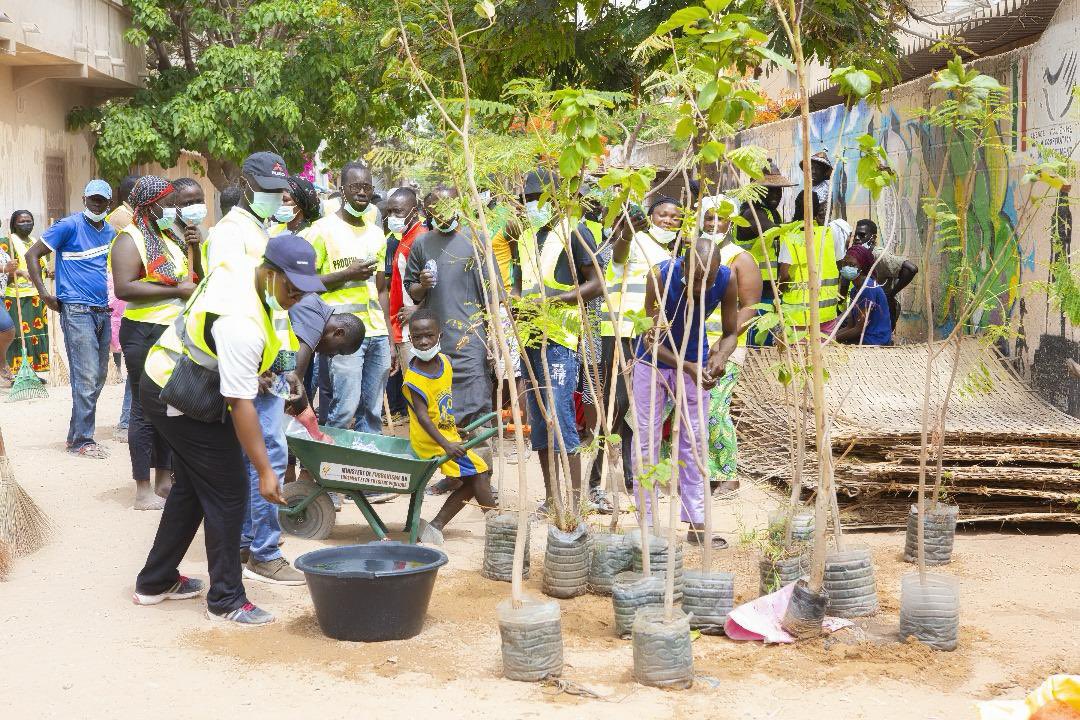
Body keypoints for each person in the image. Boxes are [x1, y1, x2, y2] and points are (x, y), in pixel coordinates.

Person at [132, 233, 325, 625]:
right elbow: (241, 405)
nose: (298, 297)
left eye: (306, 290)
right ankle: (226, 600)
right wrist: (266, 470)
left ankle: (155, 582)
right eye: (292, 288)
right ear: (270, 273)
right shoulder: (242, 324)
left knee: (191, 487)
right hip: (178, 393)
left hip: (180, 380)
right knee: (230, 490)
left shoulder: (245, 264)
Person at [239, 273, 365, 585]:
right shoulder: (312, 317)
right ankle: (263, 554)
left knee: (250, 463)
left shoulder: (311, 307)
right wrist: (310, 424)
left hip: (255, 377)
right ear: (337, 331)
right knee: (269, 460)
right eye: (336, 350)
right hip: (254, 380)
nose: (330, 355)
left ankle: (246, 541)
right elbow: (292, 379)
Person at [633, 237, 738, 546]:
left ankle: (696, 523)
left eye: (708, 279)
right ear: (683, 265)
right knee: (646, 439)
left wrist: (718, 358)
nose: (702, 287)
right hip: (652, 363)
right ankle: (648, 525)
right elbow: (651, 339)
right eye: (695, 278)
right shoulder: (660, 276)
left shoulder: (726, 279)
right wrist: (687, 367)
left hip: (696, 361)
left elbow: (731, 333)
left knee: (694, 440)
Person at [513, 169, 603, 515]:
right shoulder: (524, 237)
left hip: (561, 339)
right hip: (529, 339)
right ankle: (551, 497)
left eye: (538, 199)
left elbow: (596, 283)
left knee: (562, 415)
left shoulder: (575, 232)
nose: (533, 205)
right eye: (528, 200)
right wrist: (516, 301)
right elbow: (520, 283)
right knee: (538, 420)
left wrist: (555, 301)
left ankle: (575, 499)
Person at [111, 176, 199, 510]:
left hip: (171, 331)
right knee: (144, 409)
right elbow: (125, 288)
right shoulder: (129, 240)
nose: (175, 208)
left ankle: (165, 478)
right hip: (143, 332)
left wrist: (196, 246)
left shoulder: (166, 237)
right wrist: (176, 291)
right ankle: (143, 489)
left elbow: (190, 277)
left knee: (170, 404)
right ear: (152, 205)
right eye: (171, 202)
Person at [405, 185, 495, 474]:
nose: (441, 213)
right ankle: (453, 475)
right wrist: (422, 283)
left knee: (475, 409)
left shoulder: (477, 240)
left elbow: (493, 296)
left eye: (447, 206)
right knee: (443, 412)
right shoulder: (421, 244)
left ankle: (482, 475)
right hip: (434, 346)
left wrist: (492, 340)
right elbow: (414, 293)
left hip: (470, 342)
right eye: (434, 208)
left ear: (459, 206)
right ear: (427, 211)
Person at [25, 179, 117, 458]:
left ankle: (76, 434)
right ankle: (82, 440)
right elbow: (33, 255)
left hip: (102, 310)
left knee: (97, 376)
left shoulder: (111, 233)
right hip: (76, 309)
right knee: (86, 375)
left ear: (108, 203)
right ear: (84, 198)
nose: (97, 204)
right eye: (93, 199)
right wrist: (44, 294)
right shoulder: (69, 226)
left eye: (102, 201)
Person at [307, 161, 392, 433]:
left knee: (373, 412)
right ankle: (331, 469)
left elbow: (381, 289)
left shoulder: (377, 234)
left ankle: (367, 468)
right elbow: (303, 283)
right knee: (344, 409)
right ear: (342, 189)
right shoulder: (321, 231)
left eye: (367, 187)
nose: (362, 193)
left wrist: (388, 335)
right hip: (342, 335)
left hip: (376, 332)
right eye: (356, 186)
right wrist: (345, 274)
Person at [402, 309, 494, 545]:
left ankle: (437, 525)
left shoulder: (445, 362)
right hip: (430, 443)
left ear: (439, 336)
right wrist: (446, 444)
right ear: (410, 338)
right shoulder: (414, 378)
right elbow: (423, 417)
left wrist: (453, 428)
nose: (423, 342)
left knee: (475, 478)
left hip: (445, 434)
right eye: (417, 337)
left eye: (429, 336)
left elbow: (441, 405)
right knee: (481, 473)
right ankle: (496, 524)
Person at [702, 195, 761, 496]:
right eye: (708, 217)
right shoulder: (696, 253)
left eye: (720, 218)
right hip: (693, 347)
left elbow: (750, 306)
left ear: (731, 222)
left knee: (715, 409)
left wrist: (722, 343)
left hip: (726, 347)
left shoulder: (740, 258)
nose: (714, 223)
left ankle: (728, 475)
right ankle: (701, 473)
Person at [735, 160, 796, 345]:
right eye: (769, 189)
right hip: (752, 293)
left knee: (768, 343)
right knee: (755, 343)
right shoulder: (751, 213)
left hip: (769, 290)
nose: (776, 194)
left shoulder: (771, 213)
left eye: (778, 190)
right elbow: (774, 232)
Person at [778, 193, 845, 334]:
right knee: (826, 354)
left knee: (798, 355)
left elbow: (784, 275)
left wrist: (778, 294)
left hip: (797, 316)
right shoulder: (829, 233)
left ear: (797, 207)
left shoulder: (791, 236)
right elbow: (840, 265)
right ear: (817, 208)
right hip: (826, 313)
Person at [385, 188, 424, 418]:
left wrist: (418, 309)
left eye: (398, 211)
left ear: (414, 211)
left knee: (418, 395)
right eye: (389, 211)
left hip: (414, 331)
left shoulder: (420, 239)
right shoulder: (404, 239)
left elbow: (432, 282)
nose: (392, 217)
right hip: (402, 328)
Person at [2, 210, 50, 377]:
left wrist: (48, 272)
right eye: (21, 221)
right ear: (14, 224)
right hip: (16, 297)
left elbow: (41, 266)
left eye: (29, 221)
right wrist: (17, 272)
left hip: (37, 296)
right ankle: (15, 372)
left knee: (35, 335)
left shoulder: (36, 241)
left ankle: (33, 372)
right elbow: (4, 270)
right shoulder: (7, 242)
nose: (26, 224)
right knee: (19, 336)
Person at [851, 219, 917, 331]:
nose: (857, 238)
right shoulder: (859, 254)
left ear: (873, 238)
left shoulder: (879, 255)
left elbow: (911, 269)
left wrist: (890, 294)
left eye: (862, 235)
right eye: (856, 235)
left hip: (883, 311)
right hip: (866, 308)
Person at [836, 243, 893, 346]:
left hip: (875, 340)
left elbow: (858, 329)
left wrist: (832, 339)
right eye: (845, 264)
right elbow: (850, 326)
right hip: (865, 336)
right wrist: (830, 336)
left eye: (852, 265)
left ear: (862, 266)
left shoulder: (867, 289)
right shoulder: (855, 290)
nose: (847, 267)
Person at [0, 244, 14, 386]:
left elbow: (7, 274)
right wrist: (5, 268)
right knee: (7, 328)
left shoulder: (1, 249)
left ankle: (3, 368)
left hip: (1, 296)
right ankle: (2, 365)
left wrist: (19, 272)